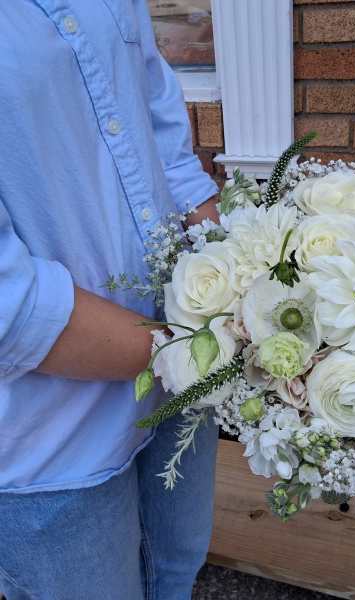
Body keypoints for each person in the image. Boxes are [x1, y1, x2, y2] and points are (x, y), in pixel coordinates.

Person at [0, 2, 221, 598]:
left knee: (176, 571)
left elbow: (155, 114)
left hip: (180, 378)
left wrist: (236, 273)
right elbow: (10, 305)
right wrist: (212, 348)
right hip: (52, 437)